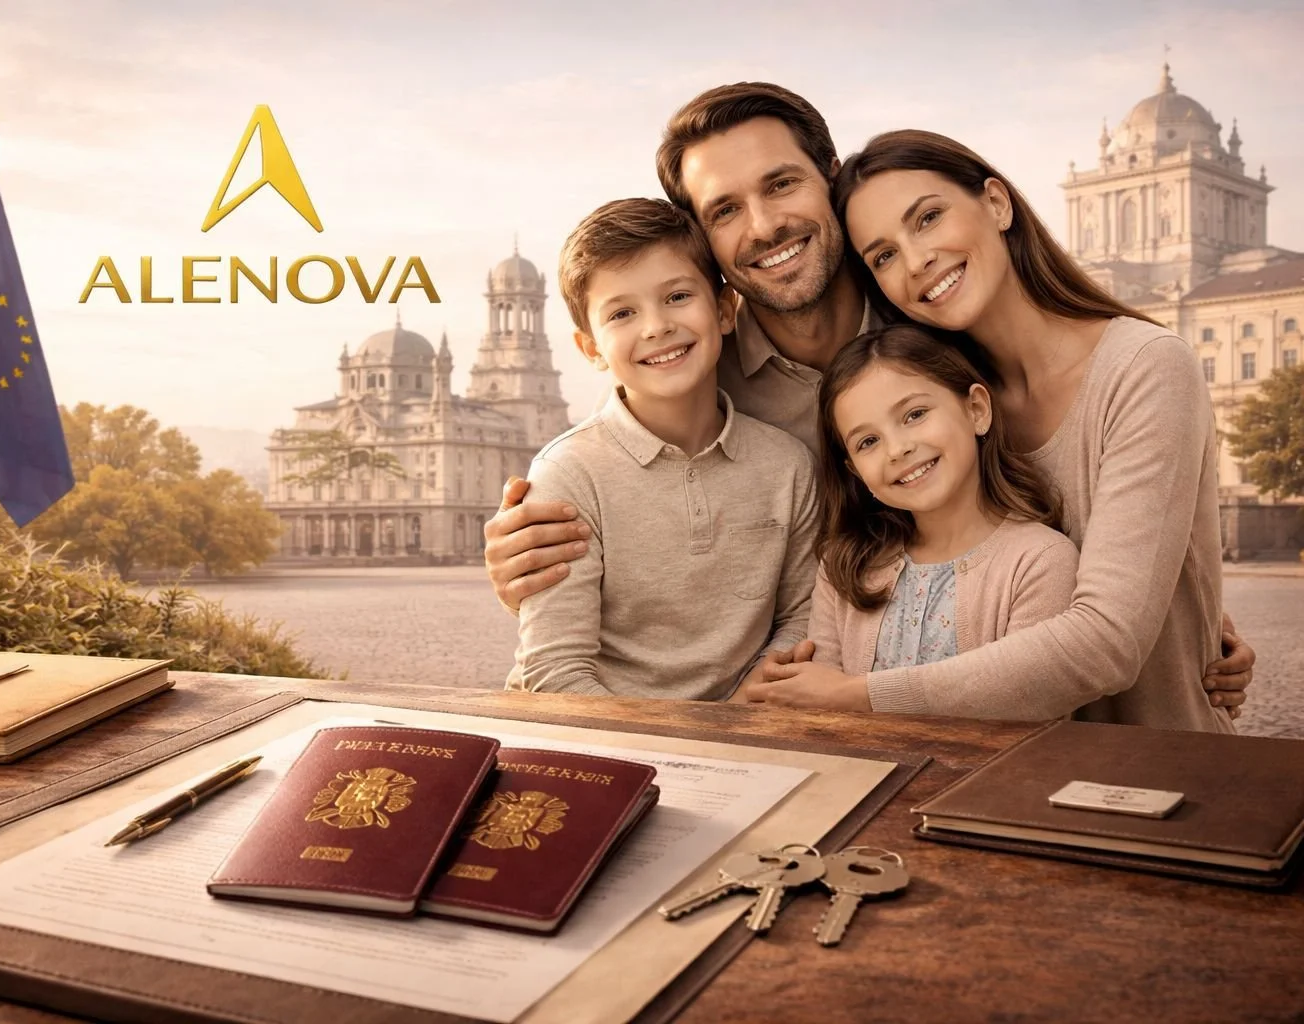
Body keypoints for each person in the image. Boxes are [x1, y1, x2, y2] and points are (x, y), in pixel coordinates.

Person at [482, 82, 1255, 718]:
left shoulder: (940, 339)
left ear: (831, 178)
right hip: (899, 751)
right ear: (704, 242)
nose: (764, 225)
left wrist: (1177, 609)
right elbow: (624, 472)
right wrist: (532, 552)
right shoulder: (699, 374)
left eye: (781, 184)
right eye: (724, 210)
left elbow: (1106, 603)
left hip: (1107, 741)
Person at [743, 128, 1233, 731]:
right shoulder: (936, 399)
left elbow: (1110, 638)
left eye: (928, 218)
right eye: (884, 256)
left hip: (1148, 759)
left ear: (997, 204)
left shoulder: (1145, 367)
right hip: (999, 768)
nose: (916, 261)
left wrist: (858, 694)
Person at [506, 197, 818, 700]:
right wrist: (683, 740)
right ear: (592, 349)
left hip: (748, 727)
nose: (655, 327)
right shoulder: (568, 473)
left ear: (724, 310)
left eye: (677, 296)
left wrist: (749, 704)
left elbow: (800, 617)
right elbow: (556, 673)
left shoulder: (788, 465)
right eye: (622, 313)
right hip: (599, 736)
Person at [797, 322, 1079, 717]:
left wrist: (862, 695)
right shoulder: (844, 567)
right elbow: (820, 707)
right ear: (855, 471)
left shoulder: (1039, 561)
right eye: (868, 441)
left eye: (914, 414)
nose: (897, 449)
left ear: (976, 410)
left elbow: (1023, 704)